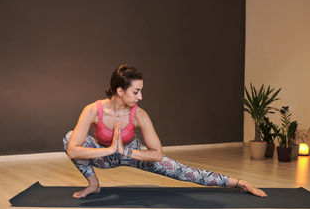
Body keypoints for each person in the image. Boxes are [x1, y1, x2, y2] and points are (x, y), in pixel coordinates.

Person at [63, 64, 267, 199]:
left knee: (181, 170)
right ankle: (93, 185)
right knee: (69, 137)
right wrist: (109, 150)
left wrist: (124, 152)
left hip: (134, 154)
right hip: (104, 156)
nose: (141, 96)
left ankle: (239, 183)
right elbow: (72, 150)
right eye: (136, 91)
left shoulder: (139, 114)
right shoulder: (92, 110)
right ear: (119, 91)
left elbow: (157, 153)